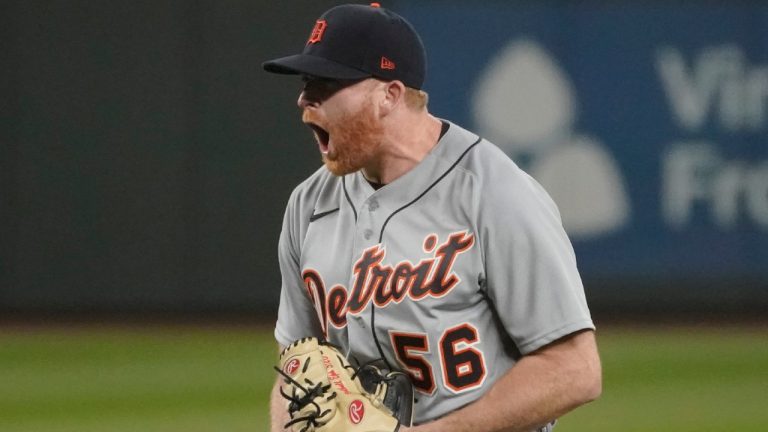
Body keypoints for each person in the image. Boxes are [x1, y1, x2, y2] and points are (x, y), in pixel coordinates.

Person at [263, 3, 601, 431]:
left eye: (326, 82)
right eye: (306, 82)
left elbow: (574, 370)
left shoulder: (495, 194)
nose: (304, 99)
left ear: (389, 95)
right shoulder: (308, 205)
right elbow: (297, 364)